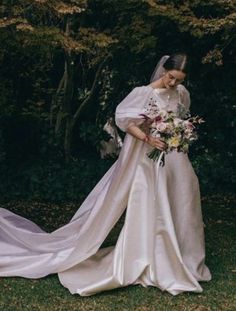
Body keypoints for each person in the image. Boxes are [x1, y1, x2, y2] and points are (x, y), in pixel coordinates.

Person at [0, 53, 212, 296]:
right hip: (150, 160)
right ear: (164, 70)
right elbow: (124, 120)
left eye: (178, 80)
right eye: (171, 77)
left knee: (184, 201)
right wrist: (148, 137)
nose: (173, 84)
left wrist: (179, 133)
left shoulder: (182, 93)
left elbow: (180, 119)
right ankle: (153, 258)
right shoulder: (143, 93)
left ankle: (185, 258)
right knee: (155, 206)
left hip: (176, 158)